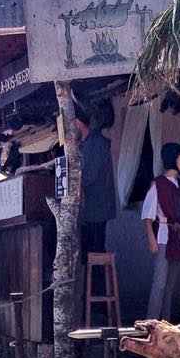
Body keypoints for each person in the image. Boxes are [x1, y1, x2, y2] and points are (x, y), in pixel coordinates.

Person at [74, 103, 117, 324]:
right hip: (95, 210)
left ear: (77, 123)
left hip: (96, 211)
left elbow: (86, 178)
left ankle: (98, 309)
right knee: (91, 254)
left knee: (95, 256)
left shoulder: (95, 144)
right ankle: (94, 307)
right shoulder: (90, 144)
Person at [141, 142, 180, 320]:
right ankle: (151, 322)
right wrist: (151, 239)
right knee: (160, 283)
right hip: (162, 237)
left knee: (169, 286)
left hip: (175, 237)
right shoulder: (158, 184)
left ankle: (165, 322)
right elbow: (147, 215)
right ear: (173, 159)